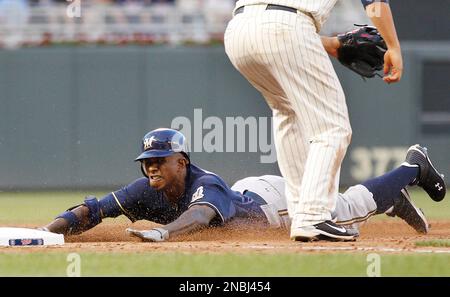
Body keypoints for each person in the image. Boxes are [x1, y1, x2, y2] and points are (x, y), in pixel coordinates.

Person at [40, 128, 446, 242]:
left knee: (342, 209)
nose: (150, 168)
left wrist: (163, 232)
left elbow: (200, 215)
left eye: (158, 160)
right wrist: (50, 229)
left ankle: (413, 167)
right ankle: (395, 200)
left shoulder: (206, 183)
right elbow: (95, 209)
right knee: (341, 208)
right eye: (146, 162)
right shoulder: (148, 185)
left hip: (273, 202)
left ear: (181, 161)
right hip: (251, 191)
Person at [223, 0, 404, 241]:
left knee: (287, 113)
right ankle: (313, 216)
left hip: (239, 29)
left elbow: (267, 21)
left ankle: (301, 213)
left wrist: (330, 44)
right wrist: (392, 45)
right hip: (287, 25)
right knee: (332, 128)